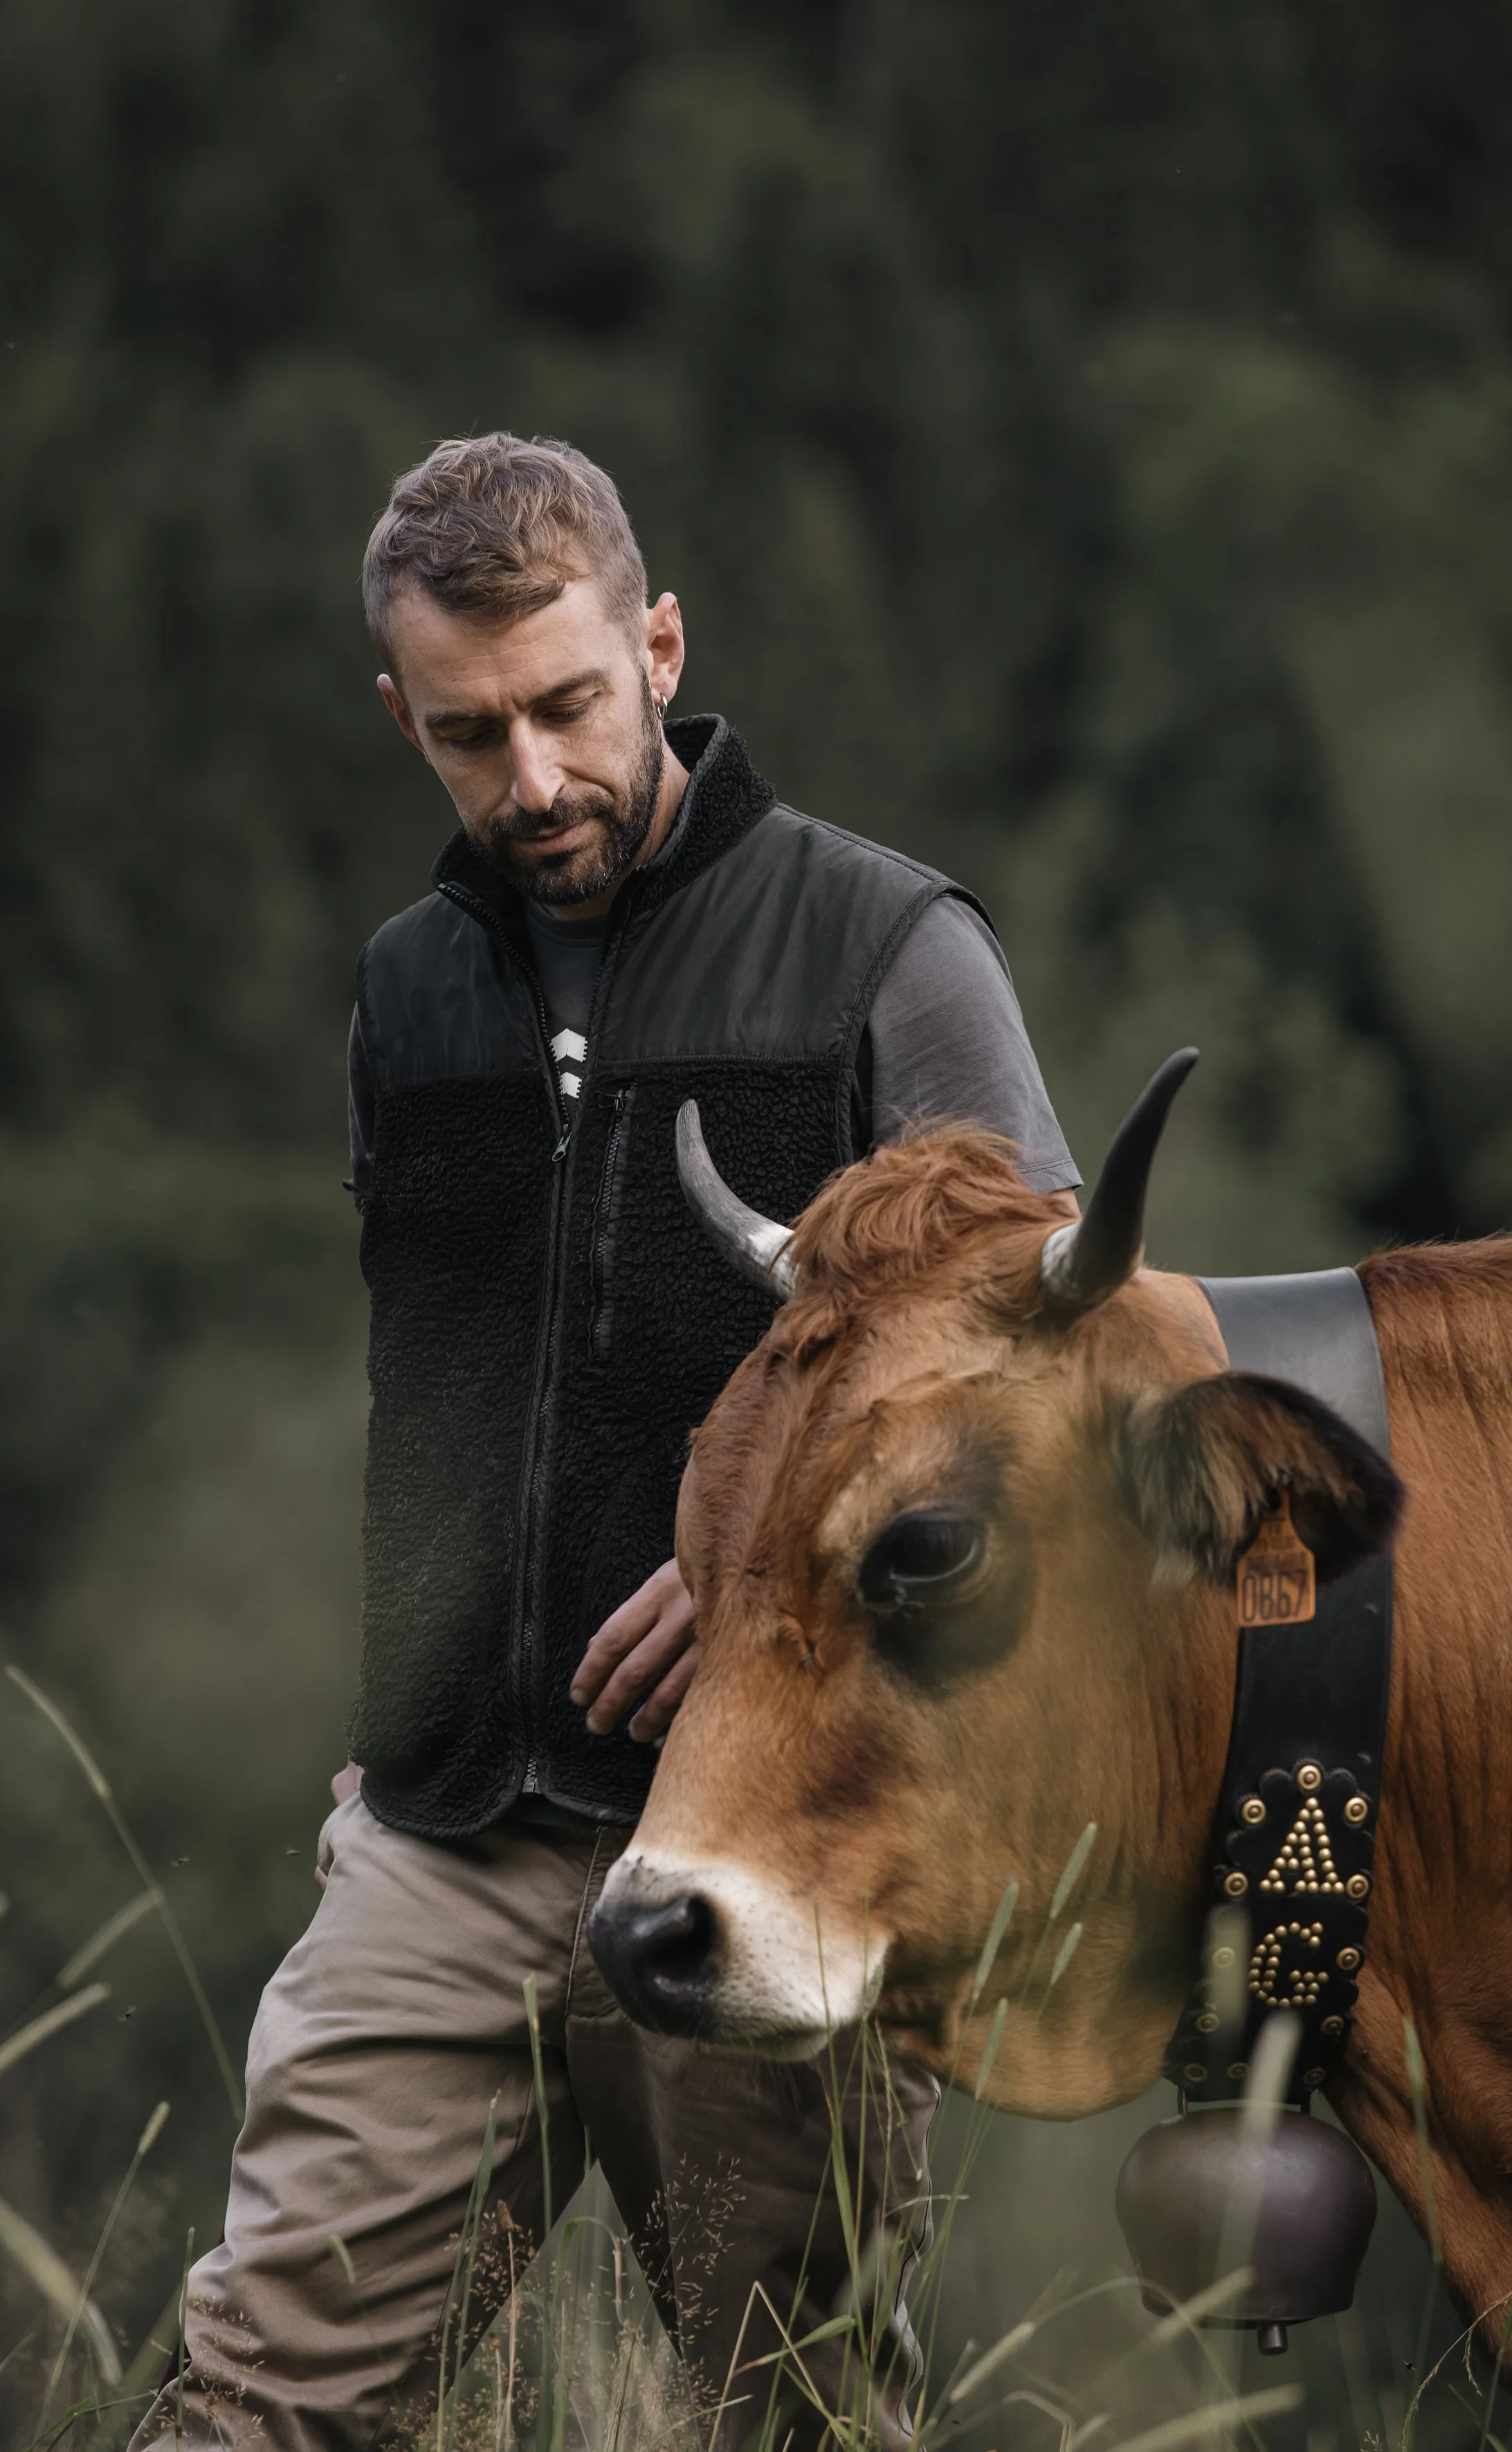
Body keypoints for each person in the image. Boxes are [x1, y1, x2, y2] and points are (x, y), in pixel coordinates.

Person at [134, 433, 1081, 2451]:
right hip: (445, 1824)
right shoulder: (410, 994)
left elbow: (1049, 1351)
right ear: (402, 715)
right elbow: (450, 1382)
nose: (533, 779)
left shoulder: (887, 948)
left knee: (789, 2419)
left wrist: (757, 1551)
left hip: (768, 1828)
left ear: (659, 642)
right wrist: (416, 1667)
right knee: (260, 2403)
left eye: (569, 704)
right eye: (471, 734)